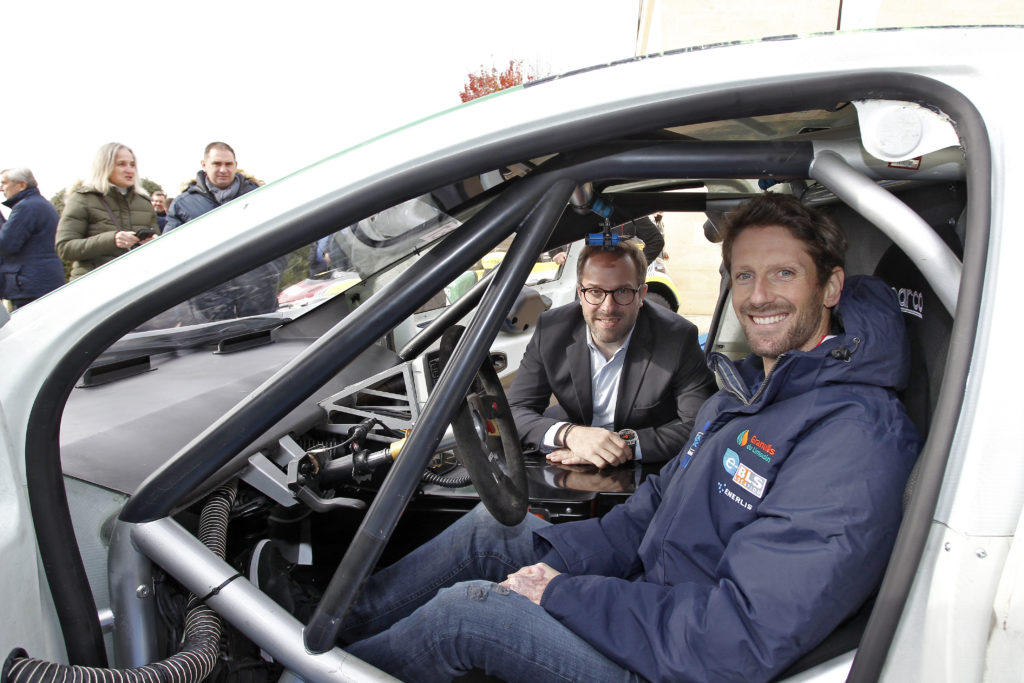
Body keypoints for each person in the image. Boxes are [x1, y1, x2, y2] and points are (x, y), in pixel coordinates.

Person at [334, 193, 922, 682]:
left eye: (783, 274)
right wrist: (560, 565)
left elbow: (737, 636)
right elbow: (653, 510)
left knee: (462, 616)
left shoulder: (854, 436)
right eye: (744, 275)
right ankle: (333, 626)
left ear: (831, 287)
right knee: (493, 532)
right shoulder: (747, 394)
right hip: (653, 599)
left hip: (678, 661)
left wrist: (563, 595)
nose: (758, 295)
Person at [508, 241, 715, 467]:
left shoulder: (677, 337)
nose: (608, 307)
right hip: (569, 454)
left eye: (623, 291)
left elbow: (703, 426)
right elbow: (515, 410)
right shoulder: (551, 329)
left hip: (645, 464)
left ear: (642, 294)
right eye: (595, 292)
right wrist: (571, 435)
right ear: (580, 292)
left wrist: (624, 445)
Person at [164, 142, 284, 320]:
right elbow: (171, 249)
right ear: (204, 165)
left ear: (236, 165)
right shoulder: (184, 204)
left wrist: (271, 274)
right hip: (210, 299)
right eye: (217, 164)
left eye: (228, 164)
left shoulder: (258, 196)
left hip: (258, 294)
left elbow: (280, 238)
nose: (223, 169)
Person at [55, 143, 159, 280]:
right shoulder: (82, 199)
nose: (129, 170)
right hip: (94, 286)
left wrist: (153, 243)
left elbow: (158, 245)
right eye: (121, 164)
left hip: (135, 283)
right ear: (104, 166)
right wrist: (112, 240)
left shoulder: (144, 203)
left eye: (132, 165)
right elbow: (65, 248)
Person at [0, 168, 65, 308]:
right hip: (45, 280)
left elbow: (6, 244)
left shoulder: (25, 208)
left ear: (21, 185)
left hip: (30, 285)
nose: (1, 188)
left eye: (4, 183)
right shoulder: (41, 204)